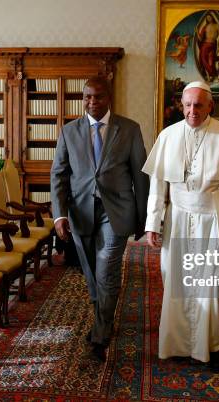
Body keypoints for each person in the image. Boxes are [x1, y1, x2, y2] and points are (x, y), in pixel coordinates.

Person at [142, 81, 219, 372]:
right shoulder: (168, 135)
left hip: (216, 220)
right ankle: (179, 344)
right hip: (178, 218)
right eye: (188, 105)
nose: (192, 111)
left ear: (210, 106)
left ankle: (213, 347)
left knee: (213, 285)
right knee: (176, 281)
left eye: (199, 105)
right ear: (182, 105)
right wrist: (152, 223)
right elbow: (158, 186)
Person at [51, 77, 149, 361]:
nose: (92, 102)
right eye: (88, 97)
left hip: (116, 213)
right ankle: (102, 312)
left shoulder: (129, 129)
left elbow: (140, 176)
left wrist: (144, 221)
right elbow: (58, 174)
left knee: (107, 270)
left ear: (109, 98)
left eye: (98, 97)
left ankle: (100, 335)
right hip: (80, 213)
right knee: (93, 275)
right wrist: (59, 214)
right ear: (82, 98)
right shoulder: (69, 131)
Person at [196, 14, 219, 82]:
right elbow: (200, 38)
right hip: (205, 45)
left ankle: (213, 76)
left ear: (212, 18)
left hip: (213, 45)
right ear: (206, 19)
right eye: (207, 18)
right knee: (204, 61)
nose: (209, 19)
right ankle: (210, 77)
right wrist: (197, 32)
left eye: (210, 17)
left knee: (211, 62)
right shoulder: (205, 27)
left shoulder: (217, 25)